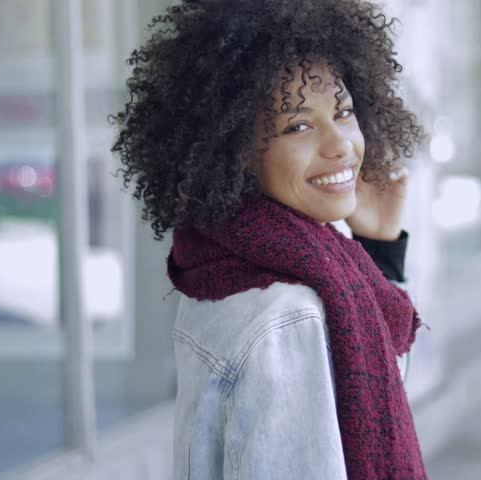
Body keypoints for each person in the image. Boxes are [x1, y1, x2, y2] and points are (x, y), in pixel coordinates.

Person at [111, 0, 428, 477]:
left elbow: (369, 388)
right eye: (297, 125)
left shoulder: (225, 264)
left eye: (342, 111)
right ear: (235, 151)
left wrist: (377, 245)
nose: (339, 143)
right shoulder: (290, 314)